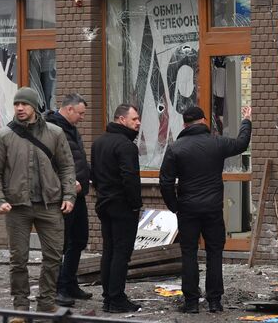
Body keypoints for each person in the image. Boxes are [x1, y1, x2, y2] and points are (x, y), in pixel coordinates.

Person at [0, 87, 76, 315]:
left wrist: (69, 195)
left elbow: (67, 167)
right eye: (16, 104)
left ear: (34, 107)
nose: (19, 108)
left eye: (24, 104)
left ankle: (46, 303)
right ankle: (20, 308)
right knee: (18, 260)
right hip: (17, 207)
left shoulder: (55, 133)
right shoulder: (3, 136)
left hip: (50, 204)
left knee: (54, 256)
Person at [159, 105, 252, 313]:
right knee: (214, 253)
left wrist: (175, 206)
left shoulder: (175, 148)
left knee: (189, 253)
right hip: (212, 208)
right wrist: (246, 120)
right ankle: (215, 301)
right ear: (203, 121)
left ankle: (191, 302)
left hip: (187, 209)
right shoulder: (216, 143)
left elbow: (165, 182)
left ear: (184, 124)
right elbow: (241, 143)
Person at [91, 104, 142, 313]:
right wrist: (135, 204)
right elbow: (130, 178)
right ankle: (117, 298)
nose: (138, 122)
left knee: (109, 251)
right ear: (121, 120)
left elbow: (94, 173)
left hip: (104, 203)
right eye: (134, 119)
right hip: (122, 206)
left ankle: (108, 298)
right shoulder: (126, 146)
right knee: (121, 253)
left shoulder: (99, 142)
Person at [45, 94, 91, 306]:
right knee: (60, 243)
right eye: (80, 113)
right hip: (63, 197)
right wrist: (67, 185)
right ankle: (57, 288)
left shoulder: (71, 128)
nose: (82, 118)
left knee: (79, 239)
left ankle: (70, 282)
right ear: (69, 109)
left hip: (78, 194)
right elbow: (48, 163)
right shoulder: (51, 129)